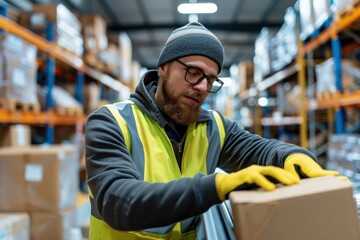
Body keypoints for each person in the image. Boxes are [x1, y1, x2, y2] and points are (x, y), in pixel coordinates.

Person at [85, 22, 339, 239]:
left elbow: (261, 149)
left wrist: (294, 156)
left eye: (210, 79)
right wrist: (216, 187)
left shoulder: (213, 127)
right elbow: (118, 202)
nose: (202, 87)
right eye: (193, 73)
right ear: (163, 68)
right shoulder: (111, 122)